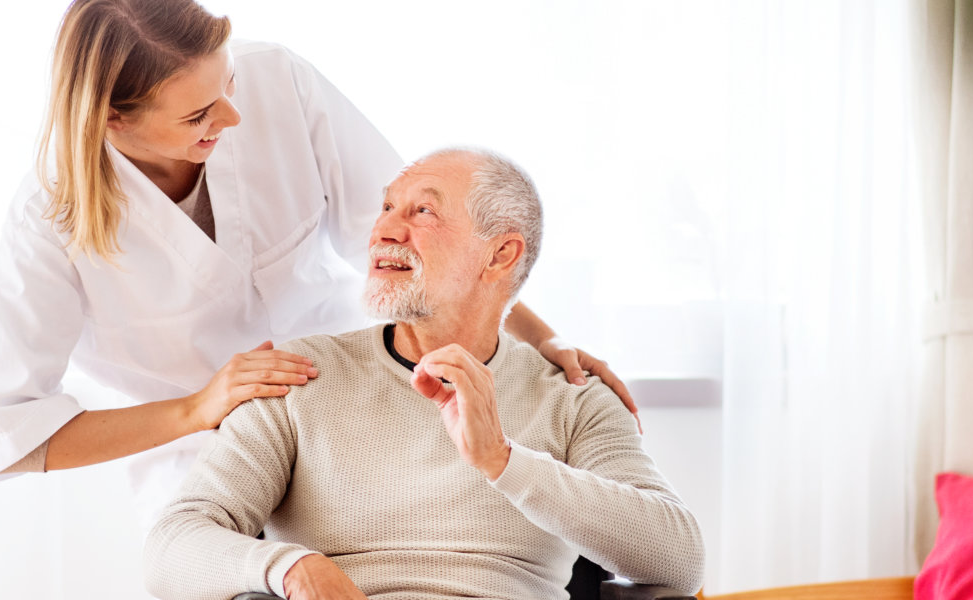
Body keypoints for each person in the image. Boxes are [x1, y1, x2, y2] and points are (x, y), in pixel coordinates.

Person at [0, 0, 640, 529]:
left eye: (227, 82)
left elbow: (405, 237)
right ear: (115, 122)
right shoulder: (48, 217)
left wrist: (542, 338)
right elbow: (17, 431)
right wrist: (197, 409)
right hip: (205, 459)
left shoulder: (277, 79)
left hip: (351, 402)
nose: (234, 115)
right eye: (200, 113)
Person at [143, 148, 703, 600]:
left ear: (501, 255)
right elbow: (173, 547)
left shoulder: (571, 396)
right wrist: (287, 567)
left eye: (422, 212)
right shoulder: (299, 376)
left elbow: (680, 559)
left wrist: (503, 462)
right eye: (386, 208)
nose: (384, 230)